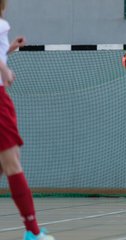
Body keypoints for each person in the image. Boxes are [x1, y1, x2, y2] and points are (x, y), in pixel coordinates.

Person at [0, 1, 55, 240]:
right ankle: (32, 232)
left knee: (4, 164)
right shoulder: (1, 23)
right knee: (12, 162)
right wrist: (5, 72)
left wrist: (9, 49)